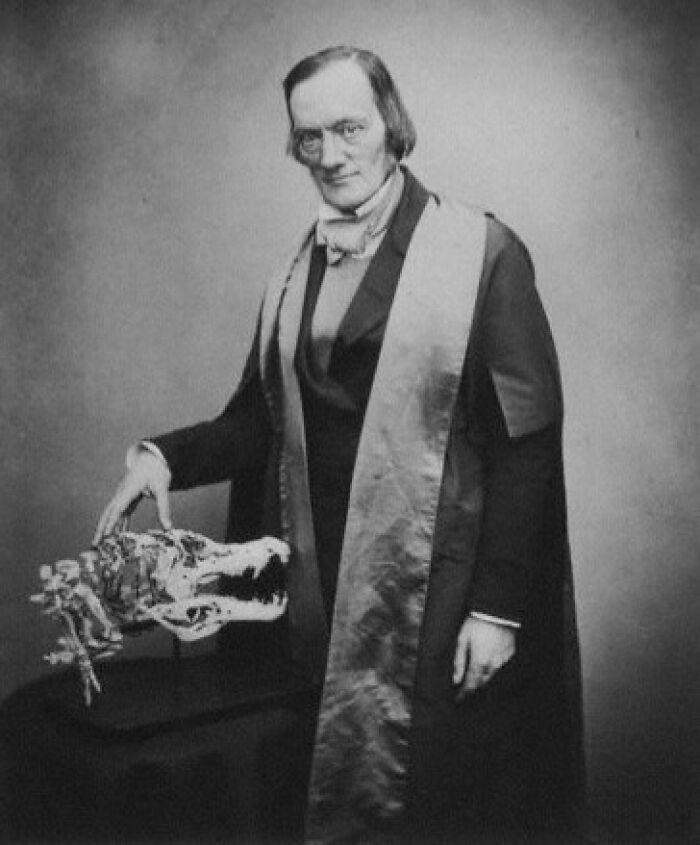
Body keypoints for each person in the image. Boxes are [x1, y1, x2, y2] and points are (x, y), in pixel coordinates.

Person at [95, 46, 584, 844]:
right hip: (316, 586)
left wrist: (497, 610)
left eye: (349, 128)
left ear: (392, 125)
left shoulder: (484, 253)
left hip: (435, 587)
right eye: (309, 137)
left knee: (432, 800)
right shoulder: (295, 272)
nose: (330, 154)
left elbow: (525, 442)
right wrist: (164, 457)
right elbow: (261, 421)